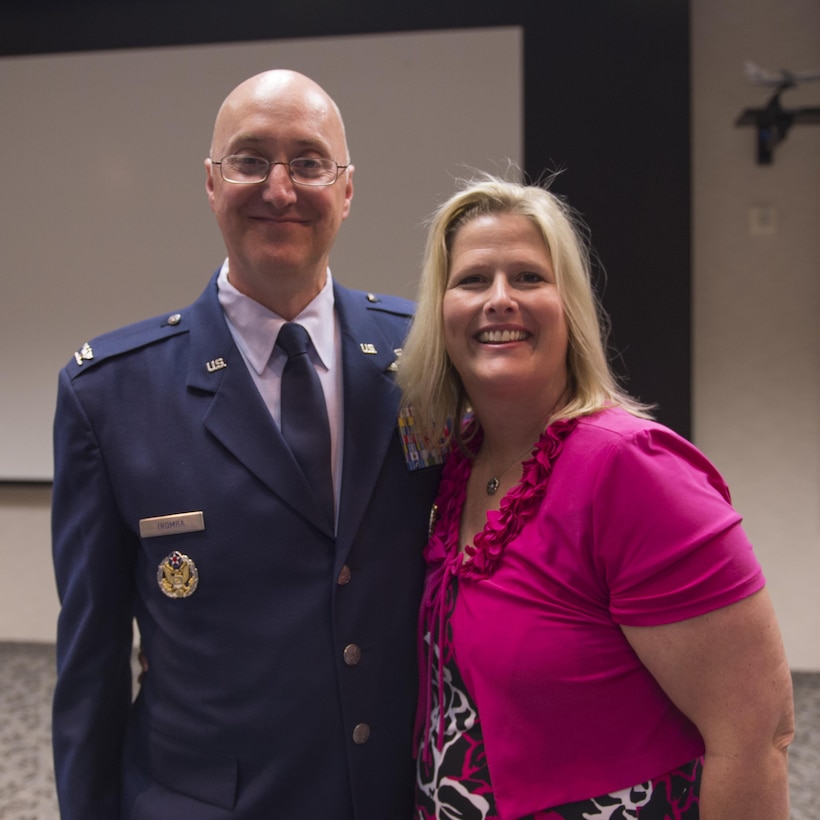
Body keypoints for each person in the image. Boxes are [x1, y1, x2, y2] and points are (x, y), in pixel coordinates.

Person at [50, 69, 442, 819]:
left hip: (396, 799)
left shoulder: (422, 358)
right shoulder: (110, 394)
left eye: (308, 162)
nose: (280, 187)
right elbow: (90, 669)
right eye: (250, 160)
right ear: (210, 182)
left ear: (348, 189)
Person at [397, 175, 795, 819]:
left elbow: (756, 736)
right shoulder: (457, 462)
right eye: (472, 280)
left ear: (570, 306)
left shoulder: (632, 469)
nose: (499, 299)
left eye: (528, 277)